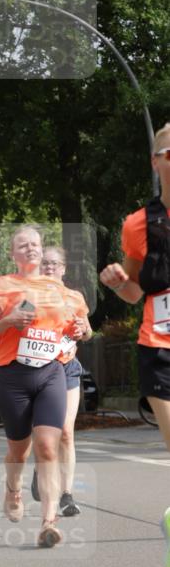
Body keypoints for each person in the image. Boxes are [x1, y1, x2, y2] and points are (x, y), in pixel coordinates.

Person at [0, 227, 79, 548]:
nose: (32, 249)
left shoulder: (61, 291)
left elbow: (79, 329)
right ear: (14, 254)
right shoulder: (4, 286)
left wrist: (83, 329)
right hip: (13, 378)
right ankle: (14, 488)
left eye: (35, 243)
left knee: (48, 446)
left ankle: (48, 520)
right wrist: (9, 321)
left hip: (51, 373)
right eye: (24, 245)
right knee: (18, 451)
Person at [100, 122, 170, 451]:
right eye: (169, 154)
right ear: (155, 161)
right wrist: (117, 283)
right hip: (158, 346)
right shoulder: (137, 223)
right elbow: (134, 293)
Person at [31, 246, 92, 516]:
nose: (49, 268)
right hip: (38, 370)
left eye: (55, 264)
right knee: (46, 434)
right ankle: (40, 466)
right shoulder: (29, 295)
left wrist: (83, 330)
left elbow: (88, 331)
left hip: (67, 369)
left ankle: (66, 494)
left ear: (64, 269)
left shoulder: (75, 298)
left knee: (66, 432)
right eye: (45, 264)